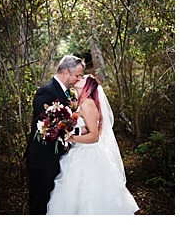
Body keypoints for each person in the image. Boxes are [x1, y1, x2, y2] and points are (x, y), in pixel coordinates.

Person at [47, 75, 139, 214]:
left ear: (87, 86)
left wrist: (70, 138)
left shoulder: (87, 104)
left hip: (89, 156)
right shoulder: (80, 103)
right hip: (79, 153)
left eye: (83, 78)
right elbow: (87, 129)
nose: (79, 78)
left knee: (90, 196)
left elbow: (94, 136)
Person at [26, 55, 84, 214]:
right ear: (66, 73)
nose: (78, 79)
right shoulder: (46, 92)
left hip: (57, 157)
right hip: (43, 159)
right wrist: (80, 131)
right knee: (40, 203)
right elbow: (49, 125)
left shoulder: (65, 93)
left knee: (52, 204)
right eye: (77, 75)